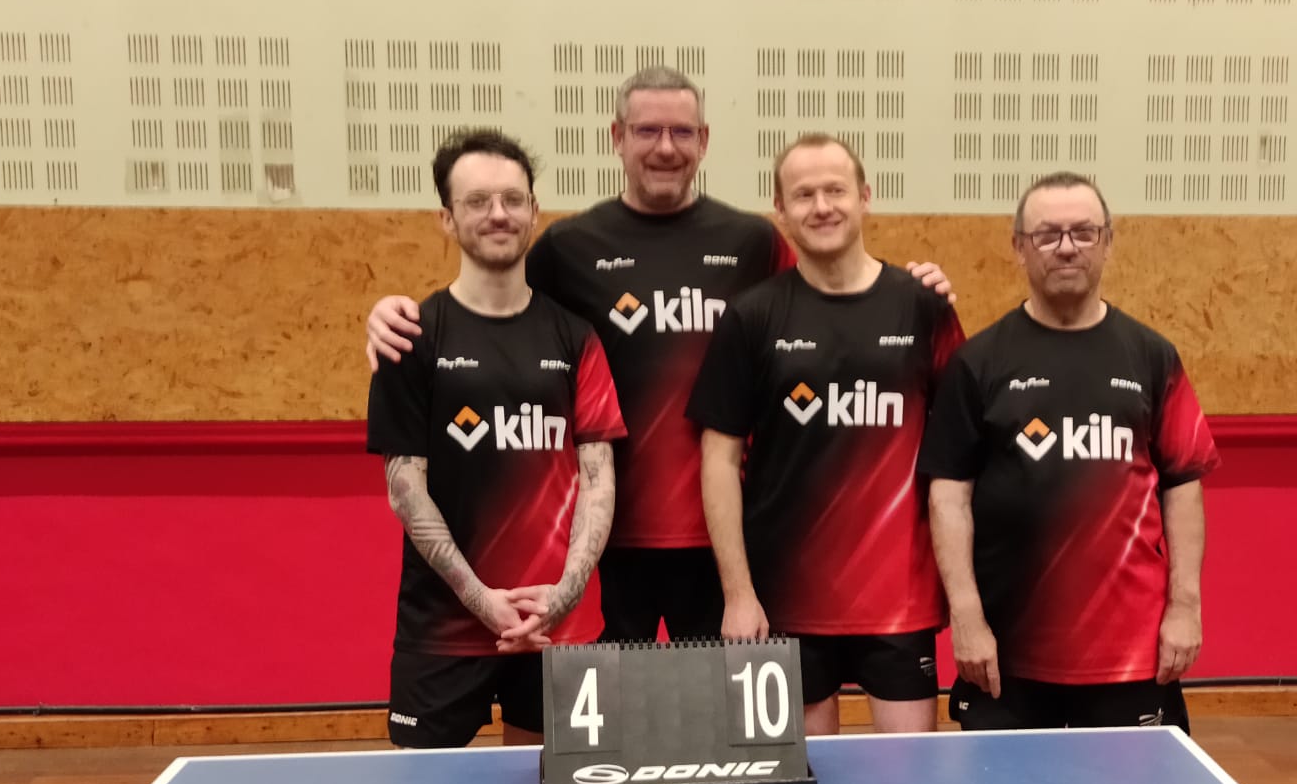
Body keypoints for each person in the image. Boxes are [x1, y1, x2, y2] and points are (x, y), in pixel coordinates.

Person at [364, 67, 951, 642]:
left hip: (729, 544)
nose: (665, 148)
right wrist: (393, 316)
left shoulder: (751, 242)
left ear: (704, 140)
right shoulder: (569, 247)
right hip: (607, 546)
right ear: (617, 138)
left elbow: (828, 304)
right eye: (647, 131)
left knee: (719, 710)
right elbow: (494, 308)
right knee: (616, 710)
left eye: (681, 132)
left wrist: (910, 290)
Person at [918, 171, 1219, 731]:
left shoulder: (1151, 356)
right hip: (1008, 656)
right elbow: (949, 497)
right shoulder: (978, 363)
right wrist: (966, 616)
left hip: (1129, 655)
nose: (1065, 247)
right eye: (1046, 234)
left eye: (1083, 232)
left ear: (1108, 241)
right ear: (1019, 247)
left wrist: (1185, 607)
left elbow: (1182, 487)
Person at [685, 134, 965, 735]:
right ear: (780, 210)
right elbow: (718, 461)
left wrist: (967, 597)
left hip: (900, 601)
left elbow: (959, 459)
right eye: (803, 195)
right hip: (787, 601)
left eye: (835, 190)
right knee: (806, 783)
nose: (821, 206)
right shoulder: (752, 316)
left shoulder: (923, 307)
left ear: (865, 196)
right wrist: (738, 593)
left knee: (908, 778)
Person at [365, 129, 624, 748]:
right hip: (442, 633)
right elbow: (406, 490)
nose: (498, 214)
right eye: (477, 201)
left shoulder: (576, 338)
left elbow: (598, 479)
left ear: (534, 210)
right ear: (447, 219)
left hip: (558, 627)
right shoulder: (411, 337)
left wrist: (561, 597)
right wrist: (484, 602)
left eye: (512, 199)